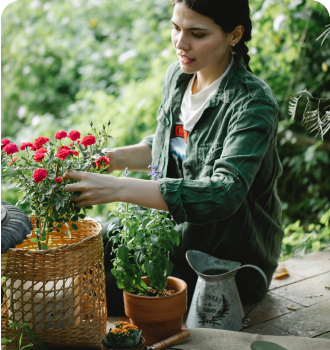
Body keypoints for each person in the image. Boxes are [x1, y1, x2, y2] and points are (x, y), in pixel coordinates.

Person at [64, 0, 284, 315]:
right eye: (175, 28)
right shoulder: (179, 78)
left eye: (197, 33)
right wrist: (110, 159)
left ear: (234, 35)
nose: (181, 43)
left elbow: (224, 193)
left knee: (85, 292)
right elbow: (173, 146)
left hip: (222, 265)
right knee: (74, 254)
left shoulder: (251, 104)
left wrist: (116, 188)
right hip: (166, 237)